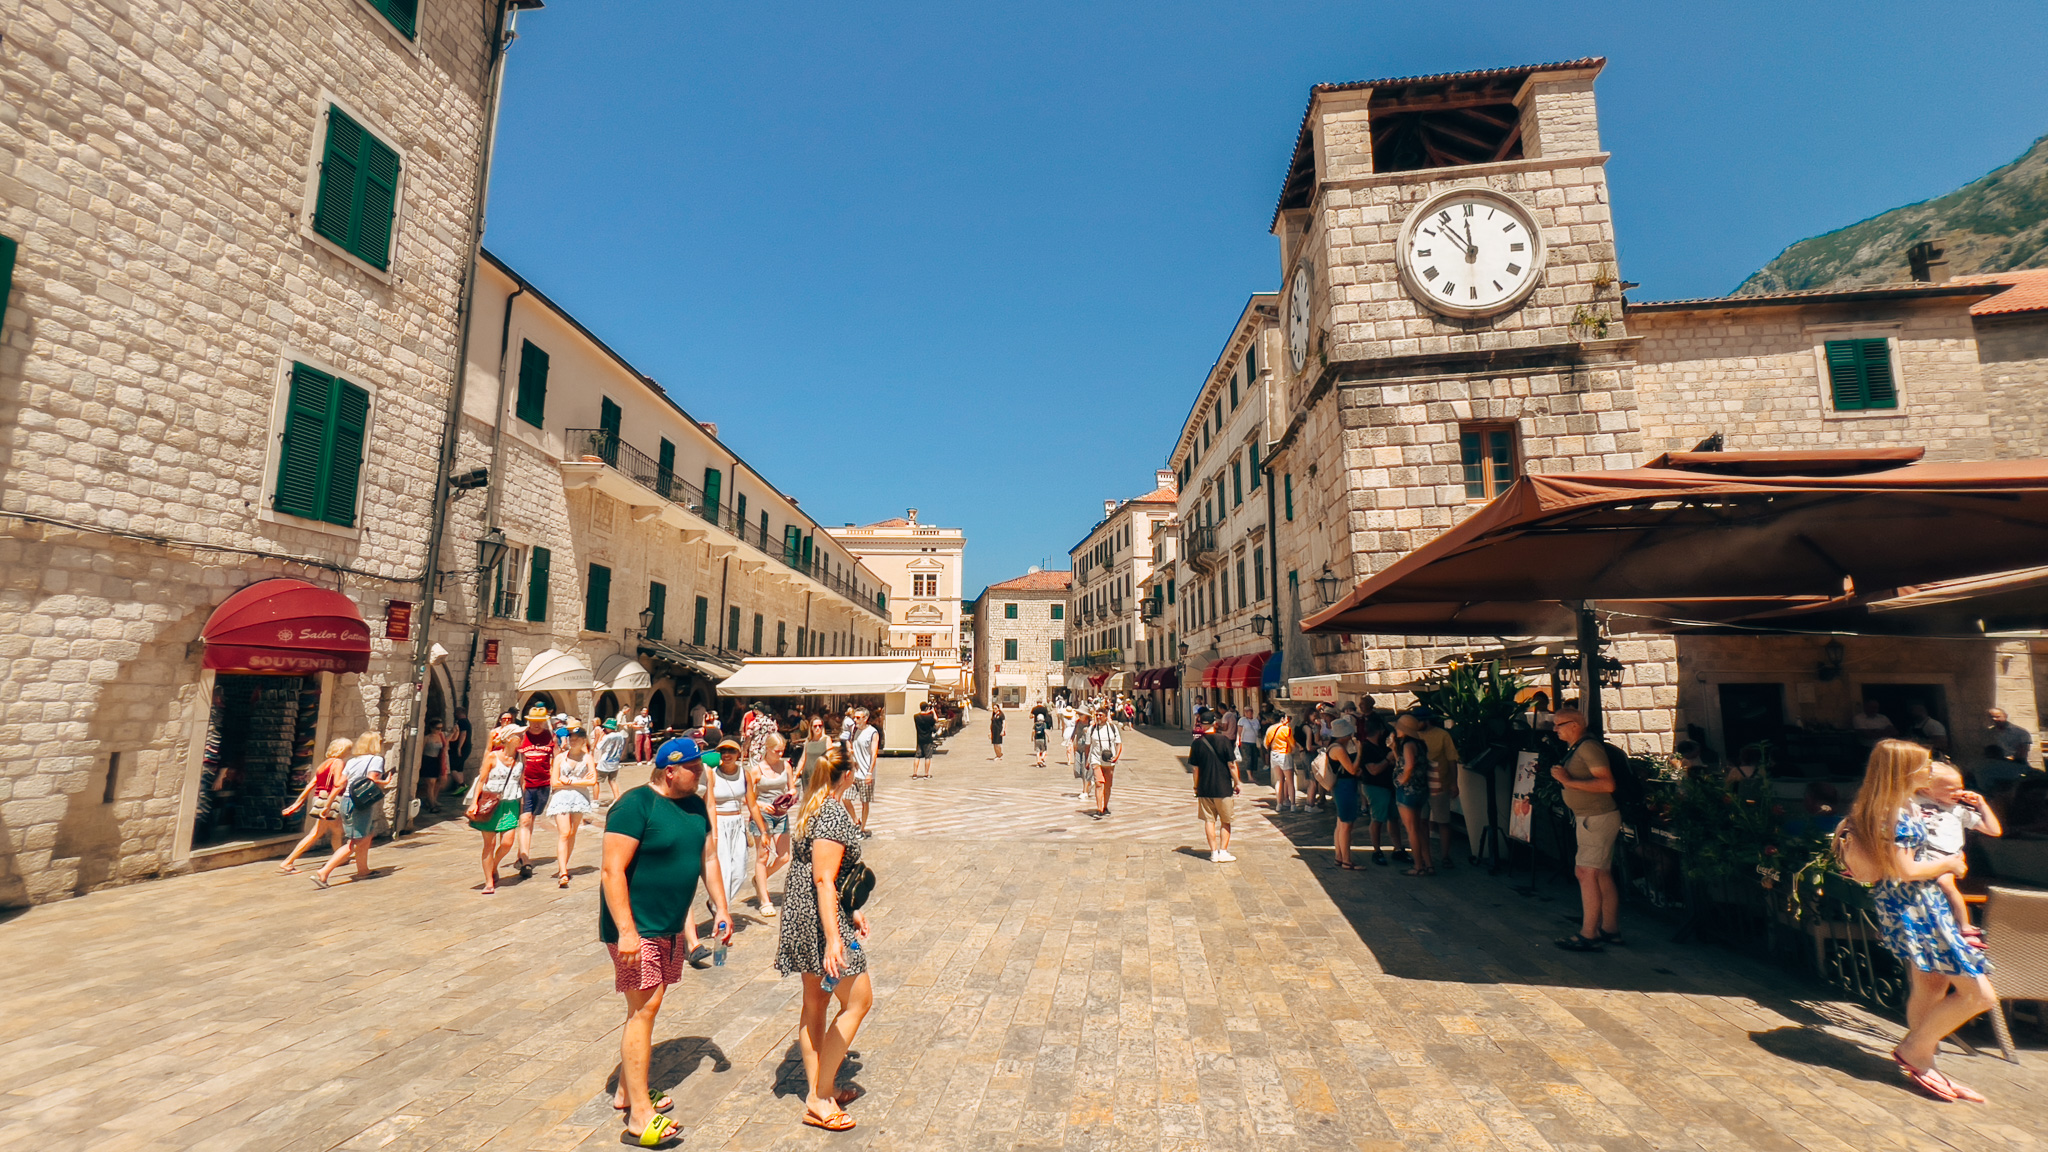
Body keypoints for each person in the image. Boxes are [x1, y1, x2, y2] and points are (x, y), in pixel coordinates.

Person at [1837, 739, 1996, 1102]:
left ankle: (1924, 1062)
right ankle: (1916, 1051)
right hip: (1919, 907)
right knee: (1978, 994)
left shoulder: (1886, 806)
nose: (1929, 771)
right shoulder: (1898, 813)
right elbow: (1906, 870)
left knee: (1930, 985)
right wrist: (1949, 864)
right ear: (1905, 772)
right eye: (1923, 765)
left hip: (1906, 906)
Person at [601, 736, 732, 1148]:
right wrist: (626, 932)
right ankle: (639, 1116)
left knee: (646, 1005)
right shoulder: (634, 805)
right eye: (695, 767)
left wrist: (721, 908)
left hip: (670, 925)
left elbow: (708, 857)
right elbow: (611, 871)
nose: (702, 772)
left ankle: (628, 1092)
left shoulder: (694, 805)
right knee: (645, 1007)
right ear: (670, 771)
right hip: (636, 926)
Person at [774, 746, 874, 1132]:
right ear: (846, 775)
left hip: (807, 913)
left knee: (815, 1003)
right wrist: (834, 938)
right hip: (820, 919)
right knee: (859, 1000)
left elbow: (822, 872)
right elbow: (823, 878)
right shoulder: (832, 812)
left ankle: (822, 1090)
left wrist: (852, 909)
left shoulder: (813, 805)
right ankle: (819, 1095)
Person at [1549, 708, 1620, 951]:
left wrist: (1567, 781)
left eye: (1559, 724)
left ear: (1575, 725)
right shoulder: (1579, 747)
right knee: (1600, 873)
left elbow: (1607, 784)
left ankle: (1589, 933)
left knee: (1585, 873)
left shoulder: (1588, 747)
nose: (1555, 729)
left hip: (1596, 818)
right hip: (1592, 817)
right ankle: (1609, 929)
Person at [1914, 761, 2002, 939]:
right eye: (1951, 789)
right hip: (1920, 853)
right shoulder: (1914, 802)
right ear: (1927, 789)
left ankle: (1965, 925)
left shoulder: (1958, 810)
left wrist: (1982, 805)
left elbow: (1994, 830)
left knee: (1945, 884)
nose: (1959, 793)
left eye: (1961, 788)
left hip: (1946, 855)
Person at [314, 731, 390, 889]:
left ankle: (363, 870)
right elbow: (372, 779)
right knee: (355, 842)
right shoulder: (376, 759)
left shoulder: (351, 761)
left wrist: (328, 805)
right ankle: (324, 872)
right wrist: (385, 781)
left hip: (346, 801)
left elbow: (340, 784)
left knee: (367, 835)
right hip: (360, 803)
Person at [279, 737, 351, 873]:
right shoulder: (338, 763)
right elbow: (337, 783)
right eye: (348, 749)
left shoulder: (323, 764)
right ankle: (288, 862)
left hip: (319, 799)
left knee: (336, 831)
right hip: (329, 801)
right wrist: (347, 777)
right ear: (343, 750)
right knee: (317, 833)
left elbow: (310, 785)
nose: (350, 751)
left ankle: (340, 858)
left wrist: (297, 803)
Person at [468, 726, 523, 894]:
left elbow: (522, 781)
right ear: (509, 738)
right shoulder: (493, 757)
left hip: (511, 803)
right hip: (491, 804)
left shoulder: (521, 757)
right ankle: (489, 882)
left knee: (507, 842)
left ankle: (494, 865)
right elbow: (481, 780)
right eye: (519, 735)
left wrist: (523, 803)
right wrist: (474, 803)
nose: (522, 737)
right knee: (489, 844)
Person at [750, 726, 796, 917]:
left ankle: (759, 879)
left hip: (781, 813)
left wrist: (790, 796)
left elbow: (792, 787)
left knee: (784, 856)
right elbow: (747, 797)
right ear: (767, 749)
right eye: (776, 751)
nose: (780, 754)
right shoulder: (757, 770)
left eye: (782, 751)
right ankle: (764, 899)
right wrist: (760, 804)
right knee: (763, 856)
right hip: (763, 815)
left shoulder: (786, 766)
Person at [547, 725, 600, 888]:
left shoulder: (587, 758)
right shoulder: (560, 758)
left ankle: (564, 865)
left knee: (572, 832)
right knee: (564, 832)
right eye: (571, 738)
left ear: (583, 740)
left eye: (577, 739)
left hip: (579, 798)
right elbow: (554, 782)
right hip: (562, 798)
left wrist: (570, 781)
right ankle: (563, 872)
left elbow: (593, 781)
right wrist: (581, 781)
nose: (574, 741)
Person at [511, 706, 558, 880]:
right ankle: (526, 861)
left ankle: (521, 852)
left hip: (543, 785)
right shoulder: (521, 736)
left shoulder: (550, 737)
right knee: (524, 820)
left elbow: (557, 758)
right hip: (525, 785)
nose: (536, 725)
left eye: (539, 722)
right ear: (528, 721)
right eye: (533, 722)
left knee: (531, 820)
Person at [1190, 715, 1240, 862]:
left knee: (1209, 821)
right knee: (1226, 820)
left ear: (1201, 725)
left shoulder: (1197, 743)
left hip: (1204, 787)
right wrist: (1237, 782)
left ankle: (1213, 853)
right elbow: (1232, 765)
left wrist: (1196, 786)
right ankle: (1223, 851)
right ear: (1214, 723)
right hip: (1223, 787)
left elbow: (1195, 769)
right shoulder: (1224, 740)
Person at [1415, 708, 1461, 869]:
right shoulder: (1414, 735)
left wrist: (1454, 783)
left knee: (1443, 821)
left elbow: (1452, 759)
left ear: (1426, 721)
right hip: (1420, 784)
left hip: (1439, 783)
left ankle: (1445, 855)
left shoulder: (1442, 735)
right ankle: (1425, 855)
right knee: (1421, 821)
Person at [1392, 712, 1434, 877]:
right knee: (1420, 828)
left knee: (1412, 830)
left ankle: (1418, 866)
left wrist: (1403, 779)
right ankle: (1428, 863)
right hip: (1421, 789)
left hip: (1408, 791)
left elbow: (1408, 766)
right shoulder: (1420, 744)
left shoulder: (1408, 745)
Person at [1356, 717, 1403, 865]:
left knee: (1393, 818)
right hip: (1375, 786)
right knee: (1377, 819)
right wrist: (1388, 760)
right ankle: (1377, 850)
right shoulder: (1366, 748)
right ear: (1380, 731)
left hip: (1389, 786)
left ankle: (1398, 849)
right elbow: (1373, 770)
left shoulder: (1383, 746)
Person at [1326, 716, 1364, 869]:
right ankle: (1347, 860)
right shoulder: (1338, 749)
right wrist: (1359, 752)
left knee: (1340, 823)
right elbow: (1352, 770)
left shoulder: (1333, 747)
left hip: (1341, 786)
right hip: (1344, 787)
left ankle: (1339, 856)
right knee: (1346, 824)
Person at [848, 707, 879, 835]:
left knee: (864, 802)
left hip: (866, 772)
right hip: (855, 772)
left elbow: (874, 754)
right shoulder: (854, 730)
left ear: (866, 718)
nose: (855, 720)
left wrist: (869, 773)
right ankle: (856, 821)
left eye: (858, 718)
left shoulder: (872, 732)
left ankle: (863, 828)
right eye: (854, 718)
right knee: (845, 797)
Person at [1087, 704, 1121, 818]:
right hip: (1096, 758)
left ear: (1106, 717)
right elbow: (1088, 745)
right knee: (1099, 783)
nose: (1098, 717)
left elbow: (1119, 743)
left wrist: (1116, 756)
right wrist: (1087, 759)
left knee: (1108, 785)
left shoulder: (1112, 728)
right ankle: (1099, 809)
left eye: (1100, 715)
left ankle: (1105, 806)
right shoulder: (1091, 729)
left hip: (1109, 760)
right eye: (1096, 715)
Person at [1264, 711, 1298, 812]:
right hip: (1285, 754)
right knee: (1290, 780)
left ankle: (1279, 804)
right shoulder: (1286, 729)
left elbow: (1266, 744)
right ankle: (1293, 805)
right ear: (1282, 719)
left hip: (1274, 754)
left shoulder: (1270, 729)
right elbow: (1292, 744)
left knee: (1279, 780)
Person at [594, 717, 631, 807]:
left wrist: (599, 737)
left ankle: (595, 801)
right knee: (612, 781)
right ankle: (616, 798)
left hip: (605, 762)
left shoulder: (608, 737)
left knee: (596, 781)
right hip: (615, 762)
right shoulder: (620, 736)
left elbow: (599, 747)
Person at [419, 718, 451, 813]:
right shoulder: (427, 738)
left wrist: (454, 731)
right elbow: (421, 750)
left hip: (437, 761)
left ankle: (431, 800)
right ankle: (432, 805)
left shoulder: (441, 736)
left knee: (438, 782)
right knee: (430, 784)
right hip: (428, 760)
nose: (439, 730)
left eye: (441, 728)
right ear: (431, 728)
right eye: (437, 728)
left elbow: (449, 740)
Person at [912, 700, 938, 779]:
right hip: (928, 739)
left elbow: (921, 714)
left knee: (917, 756)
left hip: (919, 739)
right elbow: (936, 719)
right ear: (927, 708)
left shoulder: (916, 716)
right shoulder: (929, 717)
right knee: (928, 757)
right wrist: (933, 711)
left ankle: (915, 774)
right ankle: (926, 774)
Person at [1237, 706, 1263, 779]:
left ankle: (1252, 774)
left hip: (1254, 742)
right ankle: (1249, 776)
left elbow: (1258, 731)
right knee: (1248, 758)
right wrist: (1238, 740)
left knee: (1254, 758)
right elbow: (1239, 731)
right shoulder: (1242, 720)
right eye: (1247, 711)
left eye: (1250, 711)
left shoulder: (1256, 721)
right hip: (1245, 742)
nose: (1249, 713)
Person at [451, 707, 473, 784]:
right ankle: (461, 784)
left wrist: (459, 748)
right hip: (467, 747)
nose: (454, 714)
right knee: (459, 768)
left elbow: (463, 734)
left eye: (456, 712)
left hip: (462, 747)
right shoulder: (467, 722)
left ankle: (461, 785)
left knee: (453, 768)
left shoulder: (462, 722)